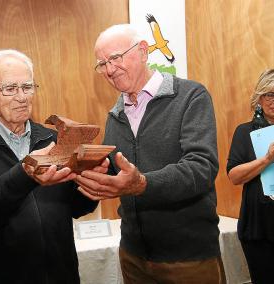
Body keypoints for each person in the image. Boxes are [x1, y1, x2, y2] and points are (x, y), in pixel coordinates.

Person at [75, 24, 226, 283]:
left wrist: (142, 183)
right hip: (133, 256)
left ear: (143, 51)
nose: (109, 70)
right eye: (102, 64)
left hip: (187, 258)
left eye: (115, 58)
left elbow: (202, 168)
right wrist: (88, 170)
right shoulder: (115, 115)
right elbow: (116, 171)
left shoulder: (191, 96)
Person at [0, 49, 100, 284]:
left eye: (27, 87)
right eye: (10, 89)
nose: (22, 97)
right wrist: (24, 173)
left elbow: (76, 208)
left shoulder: (53, 140)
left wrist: (90, 183)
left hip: (61, 274)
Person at [227, 69, 274, 284]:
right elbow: (234, 176)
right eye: (269, 94)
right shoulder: (244, 132)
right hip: (258, 227)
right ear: (260, 97)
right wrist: (267, 159)